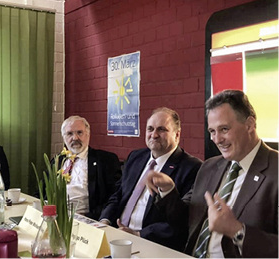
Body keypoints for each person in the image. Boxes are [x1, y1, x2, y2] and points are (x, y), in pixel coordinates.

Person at [147, 90, 278, 258]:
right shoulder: (209, 167)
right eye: (212, 131)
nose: (217, 139)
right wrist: (168, 190)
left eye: (224, 129)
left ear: (250, 125)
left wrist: (237, 231)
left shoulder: (275, 169)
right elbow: (185, 222)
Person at [99, 107, 202, 251]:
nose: (154, 135)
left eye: (161, 129)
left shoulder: (192, 168)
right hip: (116, 236)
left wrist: (138, 234)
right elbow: (118, 194)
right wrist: (104, 220)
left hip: (151, 244)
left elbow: (183, 221)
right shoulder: (136, 157)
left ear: (177, 135)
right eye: (150, 129)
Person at [57, 115, 121, 220]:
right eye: (70, 134)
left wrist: (90, 217)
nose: (75, 138)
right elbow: (43, 192)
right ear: (64, 138)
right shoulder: (57, 161)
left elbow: (114, 196)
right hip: (57, 216)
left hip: (87, 218)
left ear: (88, 135)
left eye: (79, 133)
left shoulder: (105, 160)